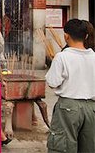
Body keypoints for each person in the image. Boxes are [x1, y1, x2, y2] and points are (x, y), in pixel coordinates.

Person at [46, 19, 95, 153]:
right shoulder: (94, 56)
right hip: (91, 108)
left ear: (66, 36)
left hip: (68, 107)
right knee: (89, 147)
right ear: (85, 36)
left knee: (63, 147)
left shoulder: (62, 57)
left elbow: (52, 82)